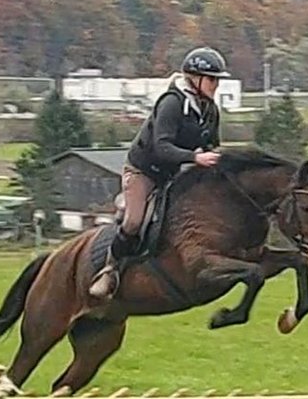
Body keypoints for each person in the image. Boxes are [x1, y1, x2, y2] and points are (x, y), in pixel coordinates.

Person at [88, 47, 228, 300]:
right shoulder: (171, 103)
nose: (216, 85)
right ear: (194, 78)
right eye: (212, 79)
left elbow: (212, 147)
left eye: (218, 80)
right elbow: (161, 147)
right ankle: (110, 270)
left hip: (173, 173)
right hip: (144, 171)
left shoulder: (210, 110)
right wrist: (194, 157)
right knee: (133, 221)